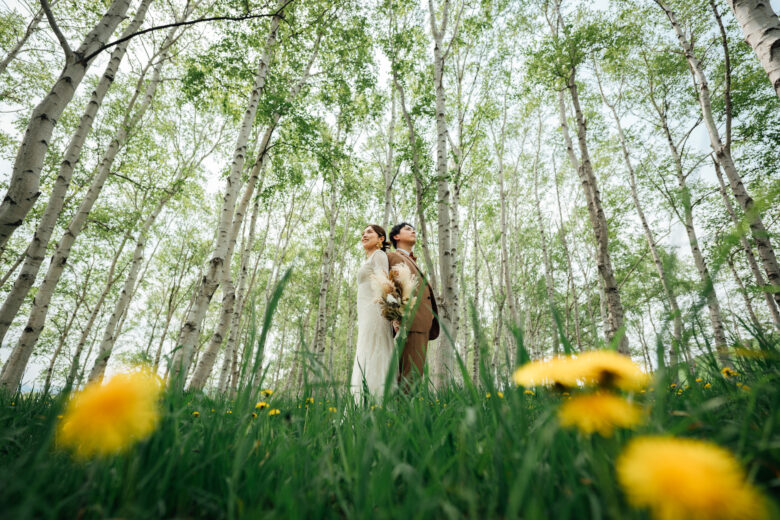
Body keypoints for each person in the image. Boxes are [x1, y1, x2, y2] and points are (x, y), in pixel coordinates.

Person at [387, 222, 439, 388]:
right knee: (410, 376)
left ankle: (409, 411)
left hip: (421, 324)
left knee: (415, 374)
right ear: (396, 236)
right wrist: (396, 320)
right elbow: (390, 289)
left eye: (414, 229)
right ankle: (406, 413)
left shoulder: (411, 261)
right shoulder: (394, 257)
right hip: (408, 323)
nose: (413, 231)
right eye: (408, 229)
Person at [350, 225, 395, 403]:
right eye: (362, 233)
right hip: (365, 313)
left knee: (374, 351)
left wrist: (393, 313)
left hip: (376, 313)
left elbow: (385, 284)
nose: (364, 235)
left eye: (369, 232)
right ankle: (362, 402)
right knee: (365, 351)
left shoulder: (379, 256)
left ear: (381, 239)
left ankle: (376, 402)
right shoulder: (370, 258)